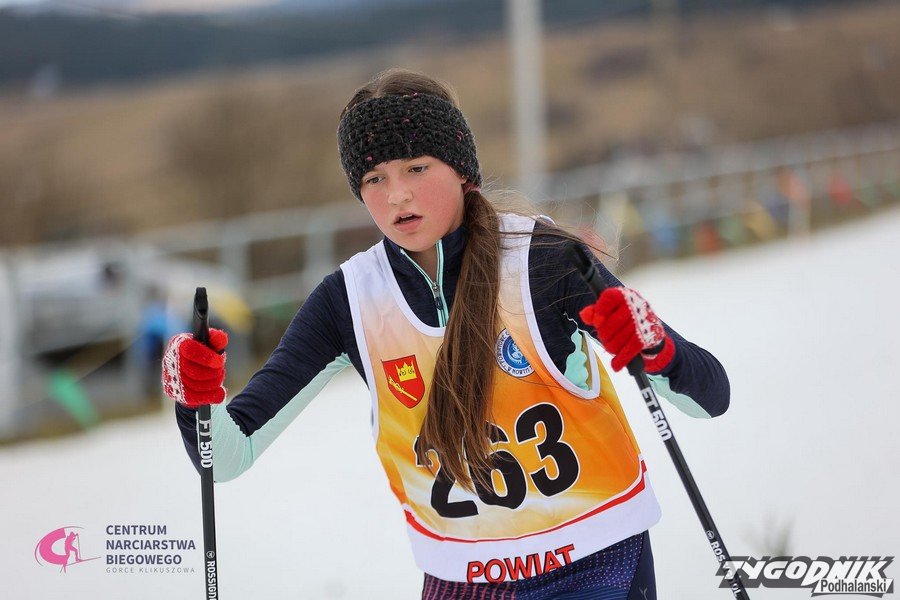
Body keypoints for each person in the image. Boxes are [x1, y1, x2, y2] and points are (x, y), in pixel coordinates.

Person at [163, 68, 730, 599]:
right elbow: (226, 458)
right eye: (374, 179)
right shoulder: (349, 300)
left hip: (596, 562)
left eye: (416, 168)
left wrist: (656, 349)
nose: (397, 195)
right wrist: (193, 398)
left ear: (461, 168)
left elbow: (711, 398)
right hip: (464, 579)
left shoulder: (543, 260)